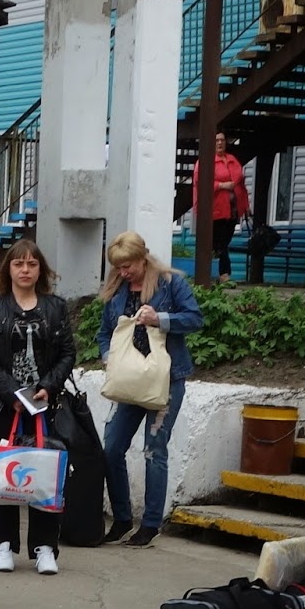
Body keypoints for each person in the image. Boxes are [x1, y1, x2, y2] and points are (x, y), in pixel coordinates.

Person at [97, 230, 204, 548]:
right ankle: (122, 519)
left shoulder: (170, 283)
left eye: (128, 265)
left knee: (154, 450)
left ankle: (151, 524)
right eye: (118, 266)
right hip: (129, 383)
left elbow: (195, 319)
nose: (123, 272)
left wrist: (160, 319)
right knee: (111, 448)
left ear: (143, 258)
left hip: (166, 382)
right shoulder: (117, 289)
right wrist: (108, 356)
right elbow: (104, 332)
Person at [0, 239, 75, 575]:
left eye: (32, 264)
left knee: (45, 472)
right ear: (8, 269)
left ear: (40, 270)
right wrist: (13, 395)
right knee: (6, 472)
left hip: (44, 404)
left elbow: (68, 353)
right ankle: (3, 545)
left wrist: (48, 386)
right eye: (19, 264)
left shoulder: (55, 307)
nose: (25, 270)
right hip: (2, 405)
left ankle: (45, 547)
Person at [191, 132, 251, 282]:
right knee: (220, 243)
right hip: (215, 210)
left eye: (222, 140)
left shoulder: (232, 160)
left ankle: (214, 273)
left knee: (223, 242)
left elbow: (241, 186)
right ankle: (224, 274)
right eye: (216, 140)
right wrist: (221, 185)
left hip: (232, 210)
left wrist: (246, 206)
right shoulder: (205, 161)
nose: (219, 143)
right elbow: (201, 183)